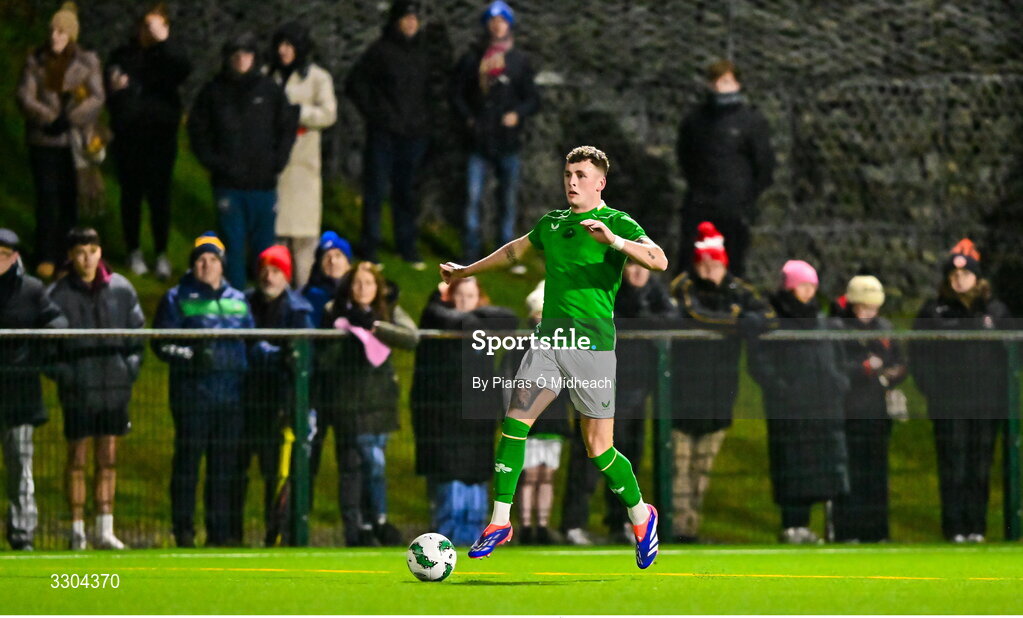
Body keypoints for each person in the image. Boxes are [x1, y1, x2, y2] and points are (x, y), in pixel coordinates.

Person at [440, 145, 668, 569]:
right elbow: (515, 251)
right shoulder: (553, 223)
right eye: (568, 173)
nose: (572, 181)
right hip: (549, 340)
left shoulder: (616, 221)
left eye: (581, 175)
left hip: (593, 347)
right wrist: (465, 271)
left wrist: (615, 241)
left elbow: (659, 259)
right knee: (514, 422)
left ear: (600, 183)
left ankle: (641, 515)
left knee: (599, 449)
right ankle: (500, 521)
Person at [668, 222, 775, 542]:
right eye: (704, 263)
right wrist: (739, 322)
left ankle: (692, 527)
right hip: (684, 392)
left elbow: (768, 317)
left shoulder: (739, 289)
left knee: (703, 469)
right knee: (679, 468)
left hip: (720, 392)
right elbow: (695, 315)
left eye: (714, 263)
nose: (708, 269)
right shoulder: (684, 286)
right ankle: (675, 527)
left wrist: (745, 320)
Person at [152, 232, 255, 547]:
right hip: (192, 397)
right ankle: (183, 530)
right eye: (201, 260)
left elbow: (251, 343)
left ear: (222, 265)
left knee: (222, 469)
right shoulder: (176, 297)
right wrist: (192, 357)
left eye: (212, 260)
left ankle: (218, 533)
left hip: (231, 397)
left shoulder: (238, 299)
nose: (206, 265)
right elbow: (161, 343)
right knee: (187, 466)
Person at [47, 228, 145, 550]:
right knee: (76, 459)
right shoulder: (58, 295)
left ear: (100, 252)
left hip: (114, 390)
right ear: (71, 256)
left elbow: (137, 336)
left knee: (108, 459)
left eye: (92, 250)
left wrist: (126, 371)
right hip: (79, 391)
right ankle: (77, 531)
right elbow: (47, 350)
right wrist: (69, 377)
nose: (87, 257)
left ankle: (104, 529)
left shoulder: (121, 289)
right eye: (80, 251)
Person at [910, 239, 1010, 543]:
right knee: (952, 465)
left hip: (986, 404)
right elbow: (919, 355)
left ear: (977, 278)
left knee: (980, 466)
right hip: (949, 403)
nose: (959, 280)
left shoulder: (996, 311)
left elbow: (1009, 357)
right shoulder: (933, 312)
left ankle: (976, 528)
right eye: (953, 276)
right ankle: (954, 528)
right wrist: (932, 391)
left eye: (965, 275)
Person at [317, 262, 419, 546]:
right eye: (358, 283)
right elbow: (325, 358)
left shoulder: (386, 312)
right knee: (353, 466)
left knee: (375, 464)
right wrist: (348, 332)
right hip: (348, 401)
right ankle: (357, 527)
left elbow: (412, 338)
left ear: (378, 288)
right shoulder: (334, 312)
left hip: (379, 402)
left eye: (369, 283)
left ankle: (379, 521)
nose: (363, 289)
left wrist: (375, 326)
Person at [749, 259, 850, 544]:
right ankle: (793, 524)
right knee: (792, 464)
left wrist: (839, 382)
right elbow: (760, 363)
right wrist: (783, 390)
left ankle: (824, 526)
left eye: (811, 286)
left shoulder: (823, 321)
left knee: (824, 465)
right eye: (802, 286)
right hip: (790, 407)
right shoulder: (774, 321)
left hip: (823, 404)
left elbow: (838, 357)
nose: (808, 292)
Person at [411, 277, 517, 546]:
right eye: (459, 296)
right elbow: (438, 315)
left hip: (477, 418)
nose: (464, 302)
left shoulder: (481, 323)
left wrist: (472, 316)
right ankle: (445, 539)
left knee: (475, 478)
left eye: (471, 296)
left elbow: (510, 318)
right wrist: (444, 299)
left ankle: (475, 537)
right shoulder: (438, 319)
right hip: (444, 416)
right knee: (450, 478)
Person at [187, 32, 297, 290]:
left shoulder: (269, 90)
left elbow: (287, 126)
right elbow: (197, 130)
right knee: (232, 245)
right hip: (229, 185)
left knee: (265, 249)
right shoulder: (213, 91)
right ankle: (235, 300)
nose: (241, 60)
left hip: (263, 184)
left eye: (246, 54)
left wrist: (278, 161)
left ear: (254, 57)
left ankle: (265, 301)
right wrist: (214, 162)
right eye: (235, 55)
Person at [16, 2, 104, 279]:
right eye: (53, 31)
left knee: (69, 201)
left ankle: (67, 256)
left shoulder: (87, 62)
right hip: (43, 141)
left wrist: (71, 118)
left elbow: (97, 97)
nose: (55, 36)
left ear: (71, 36)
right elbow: (25, 96)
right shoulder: (36, 60)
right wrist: (49, 118)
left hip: (74, 143)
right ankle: (45, 254)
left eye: (62, 32)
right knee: (46, 198)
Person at [233, 245, 313, 546]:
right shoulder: (243, 303)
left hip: (279, 403)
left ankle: (275, 535)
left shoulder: (298, 311)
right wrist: (271, 354)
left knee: (276, 474)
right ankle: (229, 534)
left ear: (287, 276)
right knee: (233, 472)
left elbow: (299, 358)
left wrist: (260, 352)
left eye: (276, 270)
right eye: (265, 269)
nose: (269, 276)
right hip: (242, 400)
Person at [346, 0, 435, 267]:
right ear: (396, 21)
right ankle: (370, 246)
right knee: (375, 191)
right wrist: (376, 115)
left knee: (406, 193)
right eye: (406, 18)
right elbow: (355, 84)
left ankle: (406, 246)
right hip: (384, 134)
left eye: (414, 18)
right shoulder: (380, 51)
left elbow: (432, 92)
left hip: (413, 135)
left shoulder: (423, 53)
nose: (410, 23)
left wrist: (425, 121)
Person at [450, 1, 540, 267]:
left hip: (508, 142)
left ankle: (506, 255)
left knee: (507, 202)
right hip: (478, 141)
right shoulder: (473, 59)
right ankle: (471, 253)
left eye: (502, 21)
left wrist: (517, 114)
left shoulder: (519, 61)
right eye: (493, 21)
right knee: (472, 199)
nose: (497, 26)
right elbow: (456, 93)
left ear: (509, 25)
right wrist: (468, 118)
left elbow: (533, 99)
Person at [106, 2, 191, 279]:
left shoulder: (168, 57)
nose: (149, 31)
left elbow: (183, 68)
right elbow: (111, 91)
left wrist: (164, 41)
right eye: (146, 25)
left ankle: (162, 253)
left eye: (156, 26)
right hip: (129, 138)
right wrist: (117, 93)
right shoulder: (123, 55)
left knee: (160, 199)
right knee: (131, 196)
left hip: (160, 139)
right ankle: (134, 250)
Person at [0, 229, 68, 550]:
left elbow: (57, 319)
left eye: (2, 254)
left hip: (19, 391)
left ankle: (22, 531)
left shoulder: (31, 290)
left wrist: (45, 336)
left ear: (14, 257)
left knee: (20, 464)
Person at [675, 60, 774, 277]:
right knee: (692, 257)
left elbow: (764, 163)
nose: (722, 86)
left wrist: (746, 195)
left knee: (734, 259)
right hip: (701, 201)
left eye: (727, 81)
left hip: (735, 205)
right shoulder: (695, 121)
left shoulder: (751, 121)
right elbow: (685, 156)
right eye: (717, 81)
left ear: (738, 84)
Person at [830, 275, 907, 543]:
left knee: (876, 474)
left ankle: (877, 531)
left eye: (872, 307)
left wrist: (891, 375)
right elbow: (835, 368)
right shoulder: (838, 328)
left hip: (877, 413)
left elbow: (899, 362)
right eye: (862, 306)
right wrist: (864, 368)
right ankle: (847, 531)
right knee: (851, 473)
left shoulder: (884, 328)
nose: (867, 312)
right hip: (849, 412)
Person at [498, 281, 571, 546]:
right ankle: (526, 526)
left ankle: (542, 525)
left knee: (546, 474)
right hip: (529, 419)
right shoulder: (519, 346)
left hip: (554, 418)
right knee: (528, 475)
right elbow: (507, 381)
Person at [269, 22, 337, 287]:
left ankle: (303, 295)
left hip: (303, 166)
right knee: (276, 238)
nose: (284, 50)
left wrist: (299, 113)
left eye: (289, 45)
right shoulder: (268, 75)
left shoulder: (318, 78)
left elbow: (329, 113)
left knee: (304, 239)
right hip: (274, 165)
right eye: (280, 45)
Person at [301, 231, 353, 330]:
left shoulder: (357, 291)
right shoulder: (312, 295)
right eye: (327, 257)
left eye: (338, 255)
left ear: (348, 263)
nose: (332, 262)